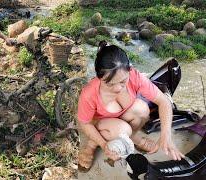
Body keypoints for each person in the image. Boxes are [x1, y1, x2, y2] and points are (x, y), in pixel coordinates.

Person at [77, 41, 185, 172]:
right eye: (109, 84)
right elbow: (85, 124)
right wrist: (104, 145)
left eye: (123, 81)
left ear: (130, 70)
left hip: (122, 119)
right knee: (123, 129)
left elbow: (163, 102)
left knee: (142, 109)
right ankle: (90, 146)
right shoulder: (89, 93)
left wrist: (166, 135)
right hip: (100, 123)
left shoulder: (135, 76)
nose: (117, 88)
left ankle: (132, 137)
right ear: (99, 77)